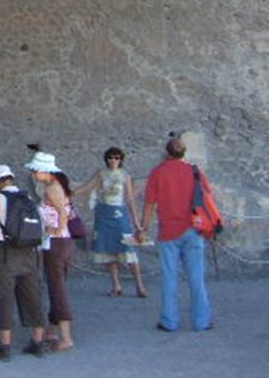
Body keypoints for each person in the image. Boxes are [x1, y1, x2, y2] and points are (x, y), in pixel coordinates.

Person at [136, 136, 213, 332]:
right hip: (193, 228)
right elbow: (206, 196)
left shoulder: (158, 173)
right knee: (197, 278)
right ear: (183, 152)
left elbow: (150, 205)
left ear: (166, 152)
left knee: (169, 277)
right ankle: (202, 321)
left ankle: (169, 321)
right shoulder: (194, 171)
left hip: (168, 231)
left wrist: (143, 229)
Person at [0, 164, 46, 361]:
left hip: (6, 253)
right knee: (32, 295)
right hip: (28, 253)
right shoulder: (26, 197)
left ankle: (5, 347)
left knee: (5, 297)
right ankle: (38, 342)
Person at [76, 146, 148, 297]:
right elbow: (87, 186)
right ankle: (116, 285)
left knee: (128, 250)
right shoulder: (101, 174)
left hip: (119, 213)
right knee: (108, 250)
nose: (113, 160)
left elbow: (129, 198)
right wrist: (71, 192)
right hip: (104, 212)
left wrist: (136, 222)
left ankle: (140, 286)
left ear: (120, 160)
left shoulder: (125, 176)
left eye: (116, 158)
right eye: (110, 157)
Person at [26, 151, 75, 352]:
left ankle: (66, 338)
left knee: (57, 289)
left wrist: (55, 228)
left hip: (56, 242)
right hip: (61, 242)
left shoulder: (52, 188)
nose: (34, 173)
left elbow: (63, 213)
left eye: (36, 170)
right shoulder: (55, 186)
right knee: (57, 284)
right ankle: (53, 331)